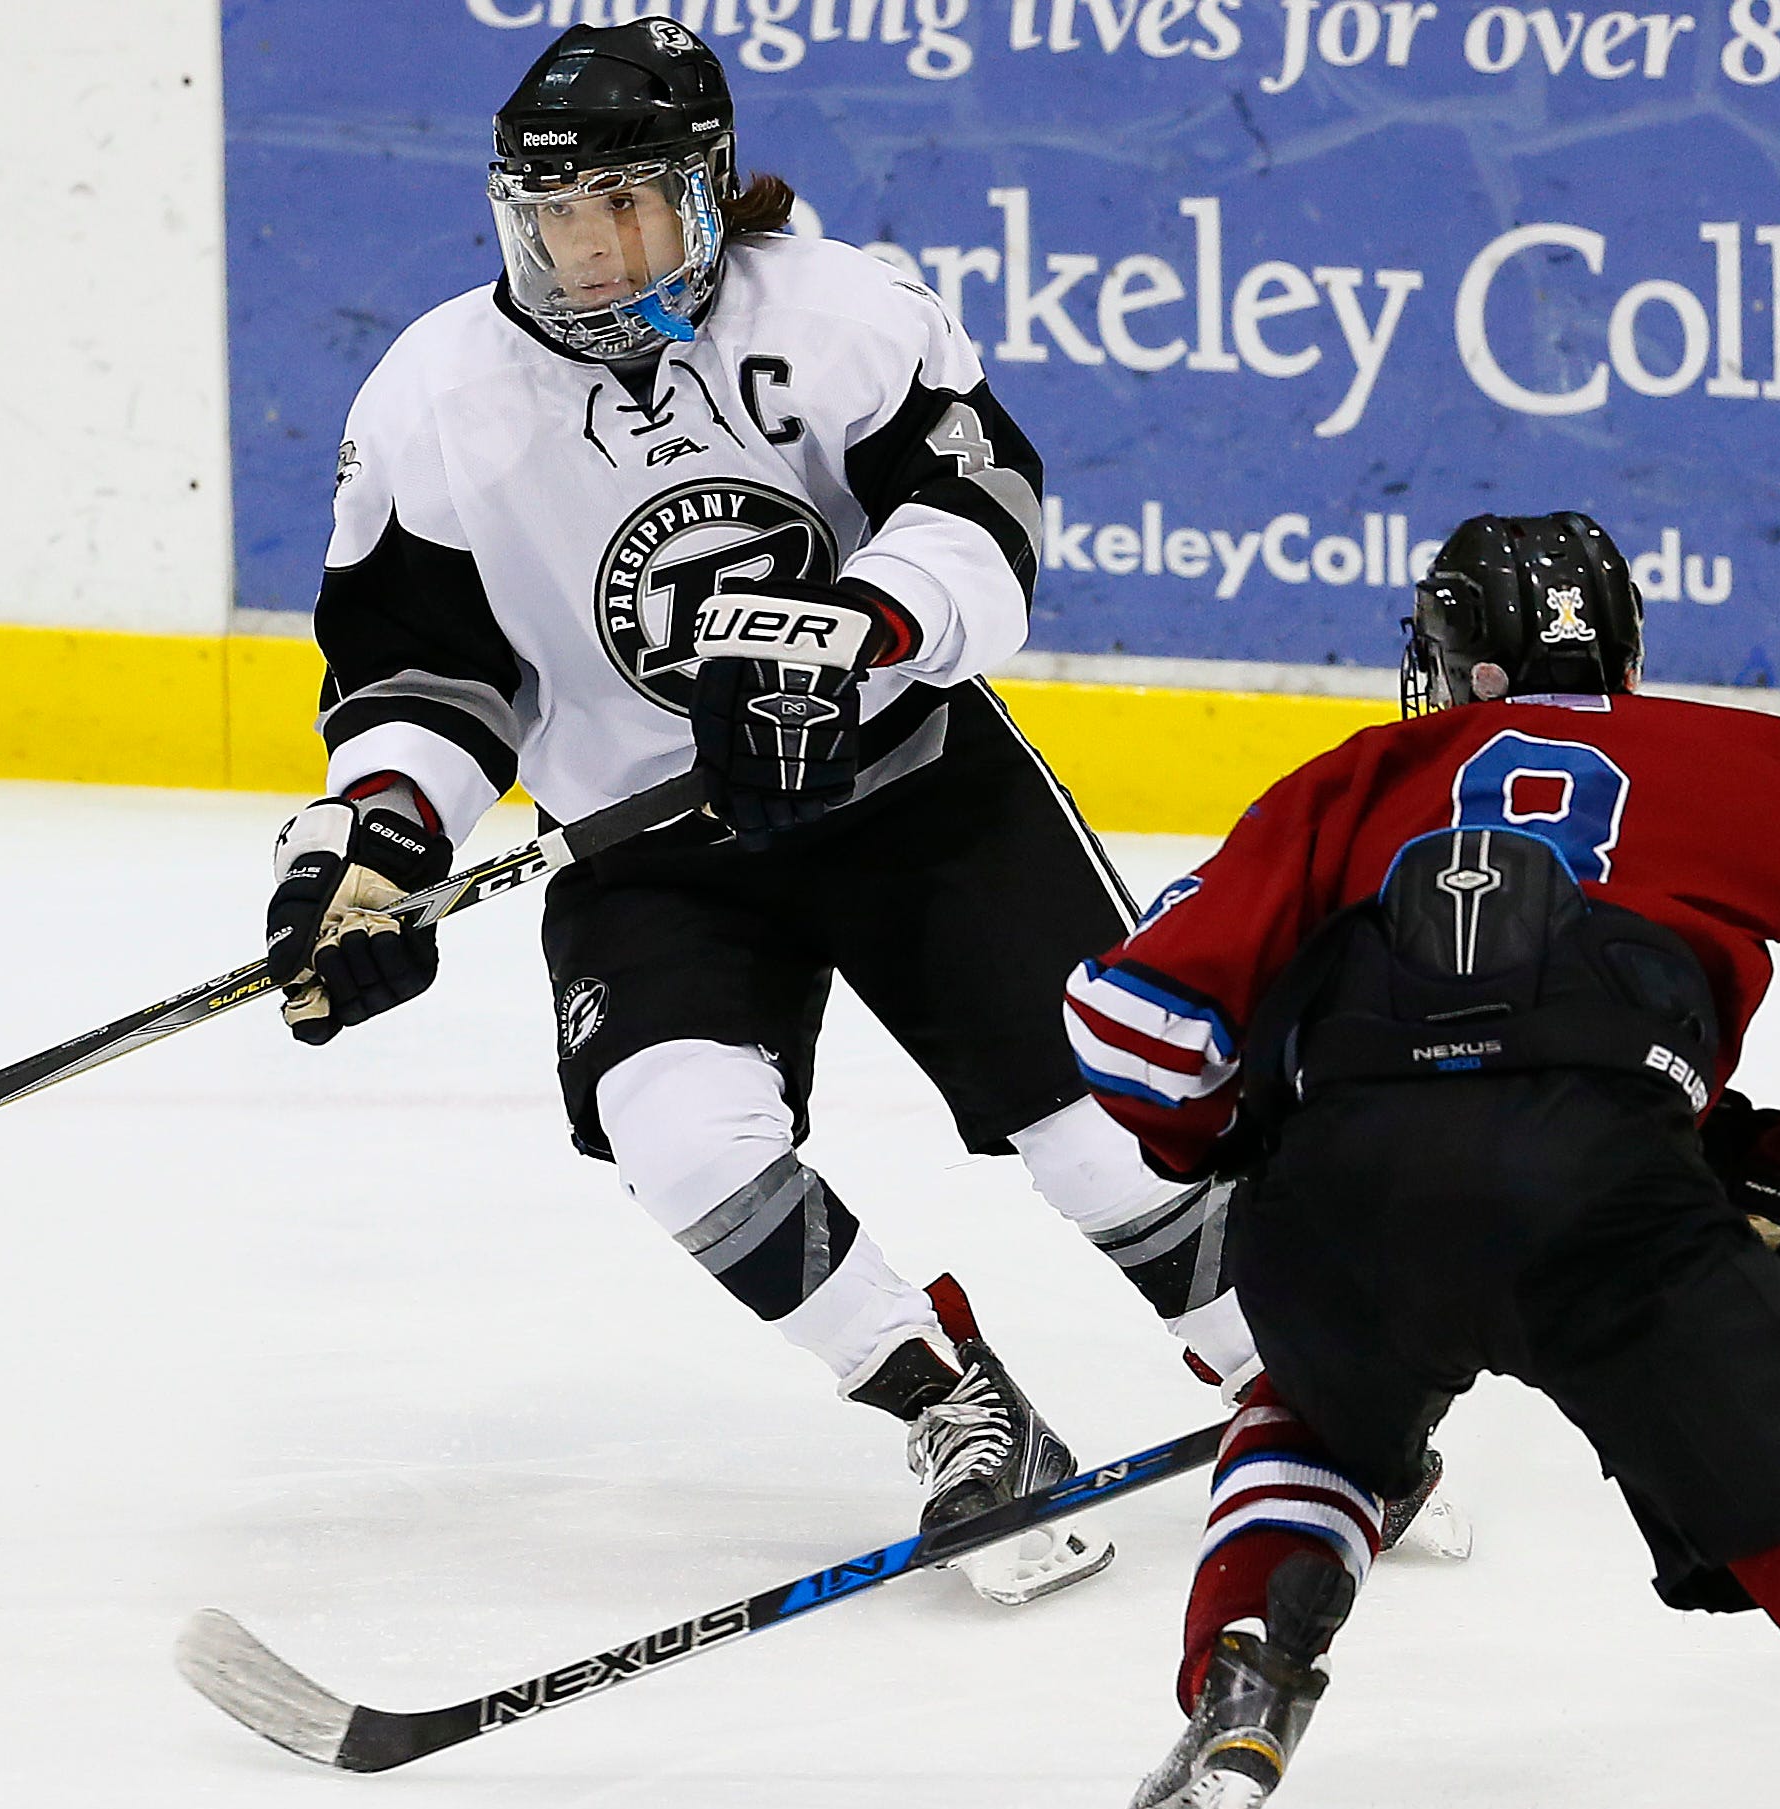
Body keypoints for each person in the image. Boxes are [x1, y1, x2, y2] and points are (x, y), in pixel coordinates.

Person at [259, 17, 1254, 1602]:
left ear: (709, 193)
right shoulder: (432, 395)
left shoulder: (847, 313)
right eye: (558, 219)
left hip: (909, 787)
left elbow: (986, 519)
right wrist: (381, 842)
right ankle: (955, 1405)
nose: (589, 255)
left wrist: (851, 639)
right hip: (653, 845)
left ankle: (1297, 1387)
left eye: (627, 212)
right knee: (681, 1131)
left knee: (1105, 1139)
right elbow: (421, 675)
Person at [1065, 512, 1780, 1809]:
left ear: (1452, 661)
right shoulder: (1759, 762)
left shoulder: (1362, 775)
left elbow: (1133, 1031)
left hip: (1345, 1184)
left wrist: (1245, 1148)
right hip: (1612, 1187)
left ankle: (1246, 1692)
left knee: (1314, 1406)